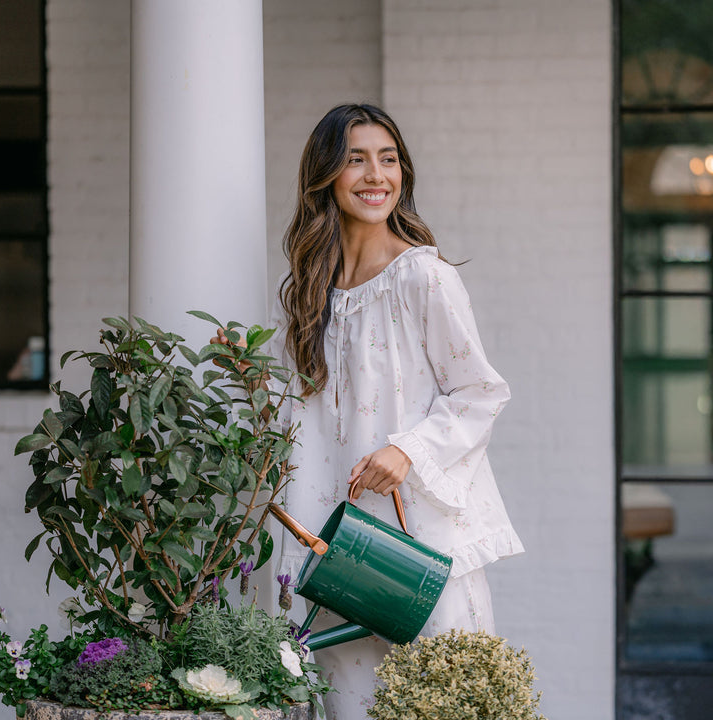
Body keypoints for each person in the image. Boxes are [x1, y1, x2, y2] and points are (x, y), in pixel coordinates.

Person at [217, 103, 524, 719]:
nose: (374, 175)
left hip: (414, 546)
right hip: (331, 546)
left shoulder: (424, 277)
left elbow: (479, 392)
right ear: (325, 174)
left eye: (388, 160)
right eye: (355, 159)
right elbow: (293, 412)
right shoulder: (307, 291)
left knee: (443, 704)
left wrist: (407, 448)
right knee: (348, 707)